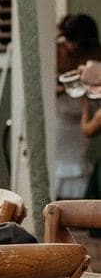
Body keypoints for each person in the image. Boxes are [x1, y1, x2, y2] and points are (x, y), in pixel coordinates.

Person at [55, 12, 101, 198]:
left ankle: (81, 200)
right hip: (63, 106)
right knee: (61, 156)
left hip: (86, 104)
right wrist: (66, 87)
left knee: (79, 155)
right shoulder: (56, 51)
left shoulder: (95, 50)